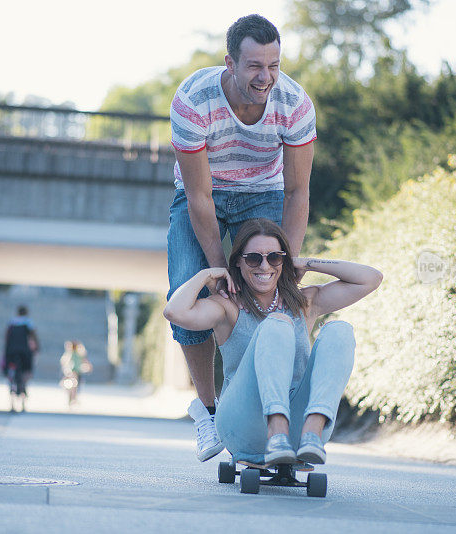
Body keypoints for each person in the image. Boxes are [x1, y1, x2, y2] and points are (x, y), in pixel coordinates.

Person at [168, 13, 316, 462]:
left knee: (267, 298)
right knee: (188, 290)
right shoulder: (193, 100)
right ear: (229, 63)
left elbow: (297, 190)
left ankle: (259, 407)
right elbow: (199, 196)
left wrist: (286, 261)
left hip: (264, 192)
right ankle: (210, 411)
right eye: (254, 66)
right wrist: (218, 270)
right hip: (204, 192)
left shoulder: (294, 104)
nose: (265, 77)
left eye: (273, 65)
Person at [164, 218, 383, 467]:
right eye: (254, 258)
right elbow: (175, 312)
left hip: (298, 430)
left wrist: (306, 263)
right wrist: (206, 275)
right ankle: (276, 428)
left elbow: (371, 279)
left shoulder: (305, 303)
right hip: (243, 425)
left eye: (275, 258)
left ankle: (313, 430)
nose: (264, 265)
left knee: (340, 331)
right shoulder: (228, 307)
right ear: (238, 261)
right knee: (277, 324)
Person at [3, 305, 40, 413]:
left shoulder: (11, 322)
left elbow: (6, 338)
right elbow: (34, 337)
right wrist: (37, 349)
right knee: (25, 374)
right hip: (24, 352)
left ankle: (12, 404)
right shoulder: (28, 322)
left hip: (11, 353)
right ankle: (23, 402)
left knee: (11, 376)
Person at [59, 340, 92, 406]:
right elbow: (64, 362)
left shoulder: (78, 355)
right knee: (72, 386)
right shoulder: (69, 354)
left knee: (74, 386)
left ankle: (73, 398)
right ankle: (72, 398)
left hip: (76, 372)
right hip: (71, 373)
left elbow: (85, 361)